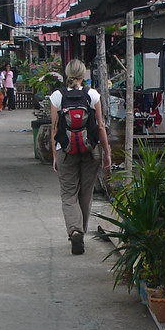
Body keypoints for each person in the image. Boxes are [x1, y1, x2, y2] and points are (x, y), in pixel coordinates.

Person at [49, 60, 111, 255]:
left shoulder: (57, 97)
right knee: (86, 193)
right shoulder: (92, 95)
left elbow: (54, 128)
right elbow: (100, 126)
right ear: (83, 74)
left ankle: (75, 230)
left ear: (66, 73)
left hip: (65, 150)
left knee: (68, 194)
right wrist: (107, 152)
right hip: (90, 150)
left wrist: (54, 155)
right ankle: (79, 231)